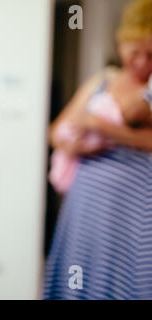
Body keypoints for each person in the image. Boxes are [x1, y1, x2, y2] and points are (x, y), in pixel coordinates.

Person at [44, 0, 152, 299]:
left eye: (151, 55)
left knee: (129, 277)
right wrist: (72, 142)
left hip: (136, 209)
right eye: (135, 52)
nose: (142, 62)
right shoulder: (101, 82)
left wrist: (101, 126)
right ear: (121, 42)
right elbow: (56, 132)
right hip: (87, 206)